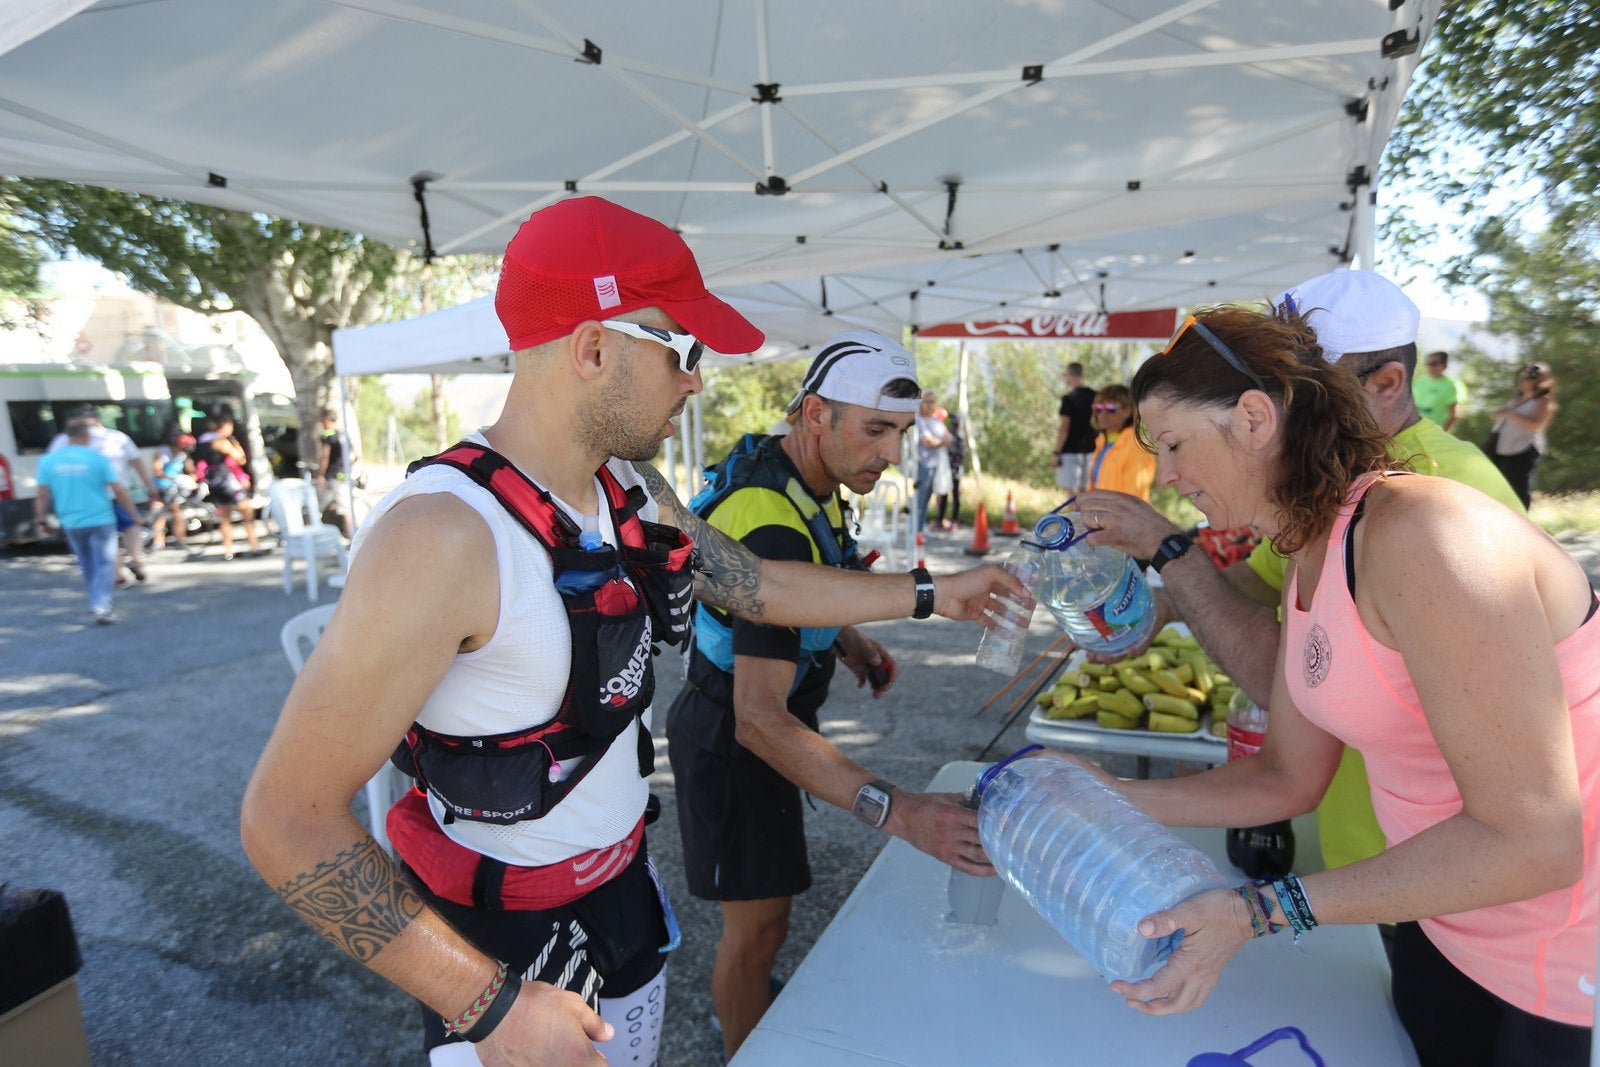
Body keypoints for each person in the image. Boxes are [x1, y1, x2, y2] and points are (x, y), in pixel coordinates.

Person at [240, 196, 1017, 1067]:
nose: (696, 380)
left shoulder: (628, 488)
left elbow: (754, 584)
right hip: (499, 948)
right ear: (593, 346)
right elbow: (286, 818)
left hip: (620, 896)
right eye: (682, 350)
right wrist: (487, 1007)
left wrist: (933, 591)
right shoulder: (442, 536)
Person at [1060, 301, 1598, 1067]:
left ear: (1252, 417)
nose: (1167, 474)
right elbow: (1288, 776)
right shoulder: (1313, 546)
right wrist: (1105, 792)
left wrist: (1261, 910)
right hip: (1437, 918)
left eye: (1174, 443)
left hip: (1546, 965)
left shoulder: (1426, 533)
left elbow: (1536, 841)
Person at [1077, 270, 1523, 873]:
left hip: (1456, 893)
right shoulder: (1323, 518)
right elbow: (1289, 766)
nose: (1298, 411)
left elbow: (1523, 831)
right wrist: (1160, 606)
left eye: (1311, 391)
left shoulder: (1430, 510)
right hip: (1391, 866)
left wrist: (1267, 914)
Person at [666, 331, 992, 1059]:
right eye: (876, 430)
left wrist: (847, 639)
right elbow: (758, 719)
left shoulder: (798, 476)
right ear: (816, 413)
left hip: (755, 728)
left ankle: (750, 1014)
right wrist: (899, 810)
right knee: (752, 936)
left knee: (772, 920)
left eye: (902, 433)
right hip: (734, 742)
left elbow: (816, 576)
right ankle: (741, 1040)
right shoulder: (772, 519)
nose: (891, 453)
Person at [35, 416, 140, 624]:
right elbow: (119, 490)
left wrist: (42, 520)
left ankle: (99, 601)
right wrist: (134, 514)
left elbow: (42, 494)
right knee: (104, 562)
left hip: (71, 521)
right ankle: (101, 604)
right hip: (101, 518)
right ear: (86, 436)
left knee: (87, 563)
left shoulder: (48, 461)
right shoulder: (97, 459)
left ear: (67, 436)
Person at [47, 404, 160, 584]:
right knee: (131, 527)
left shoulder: (62, 440)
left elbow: (51, 468)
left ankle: (117, 574)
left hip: (83, 498)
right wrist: (150, 486)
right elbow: (137, 462)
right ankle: (136, 560)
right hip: (117, 494)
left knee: (105, 536)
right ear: (99, 420)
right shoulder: (117, 437)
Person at [1488, 361, 1557, 510]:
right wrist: (1502, 413)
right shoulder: (1517, 399)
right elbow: (1495, 415)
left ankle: (1523, 523)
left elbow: (1535, 425)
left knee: (1519, 490)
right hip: (1503, 449)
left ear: (1539, 380)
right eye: (1521, 377)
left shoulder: (1544, 401)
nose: (1522, 381)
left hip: (1524, 450)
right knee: (1501, 488)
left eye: (1527, 378)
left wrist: (1510, 414)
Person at [194, 415, 262, 560]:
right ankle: (254, 546)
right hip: (228, 480)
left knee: (225, 517)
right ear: (225, 426)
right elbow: (240, 458)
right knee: (247, 513)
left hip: (213, 480)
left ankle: (228, 550)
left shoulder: (204, 440)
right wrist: (235, 445)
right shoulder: (222, 441)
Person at [1085, 384, 1155, 500]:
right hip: (1100, 514)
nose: (1102, 414)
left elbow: (1134, 497)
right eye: (1098, 408)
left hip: (1121, 516)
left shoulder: (1136, 446)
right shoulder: (1102, 442)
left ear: (1127, 411)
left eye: (1110, 409)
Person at [315, 407, 362, 539]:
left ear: (326, 420)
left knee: (317, 507)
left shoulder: (328, 435)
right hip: (344, 476)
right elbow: (357, 455)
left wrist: (320, 475)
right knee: (345, 508)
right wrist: (348, 467)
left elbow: (325, 456)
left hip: (332, 477)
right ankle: (353, 536)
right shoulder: (344, 434)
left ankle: (349, 536)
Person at [148, 430, 195, 552]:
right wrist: (174, 478)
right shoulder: (162, 453)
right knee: (159, 513)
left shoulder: (183, 454)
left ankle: (180, 540)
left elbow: (191, 469)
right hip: (160, 487)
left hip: (174, 488)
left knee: (177, 513)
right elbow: (157, 471)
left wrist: (190, 477)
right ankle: (158, 542)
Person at [1053, 362, 1097, 494]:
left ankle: (1074, 516)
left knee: (1072, 496)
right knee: (1086, 494)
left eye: (1066, 375)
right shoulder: (1096, 396)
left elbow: (1064, 428)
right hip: (1092, 451)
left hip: (1071, 452)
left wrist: (1056, 452)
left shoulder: (1068, 399)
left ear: (1070, 375)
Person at [912, 389, 949, 536]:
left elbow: (949, 439)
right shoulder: (918, 421)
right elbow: (929, 442)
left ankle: (922, 527)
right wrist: (941, 441)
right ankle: (916, 530)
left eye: (933, 402)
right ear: (921, 403)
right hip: (924, 464)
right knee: (920, 499)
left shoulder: (935, 421)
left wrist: (940, 441)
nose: (930, 405)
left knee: (927, 498)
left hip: (936, 465)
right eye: (927, 401)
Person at [1411, 350, 1460, 431]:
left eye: (1434, 363)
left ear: (1444, 365)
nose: (1430, 366)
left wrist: (1443, 434)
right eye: (1428, 363)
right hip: (1411, 429)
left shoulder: (1450, 386)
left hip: (1432, 432)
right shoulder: (1420, 381)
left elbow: (1453, 415)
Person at [934, 411, 965, 530]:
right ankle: (940, 520)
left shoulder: (958, 440)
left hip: (955, 472)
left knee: (956, 496)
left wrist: (954, 468)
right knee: (943, 495)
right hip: (945, 472)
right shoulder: (945, 438)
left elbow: (960, 457)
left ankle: (955, 520)